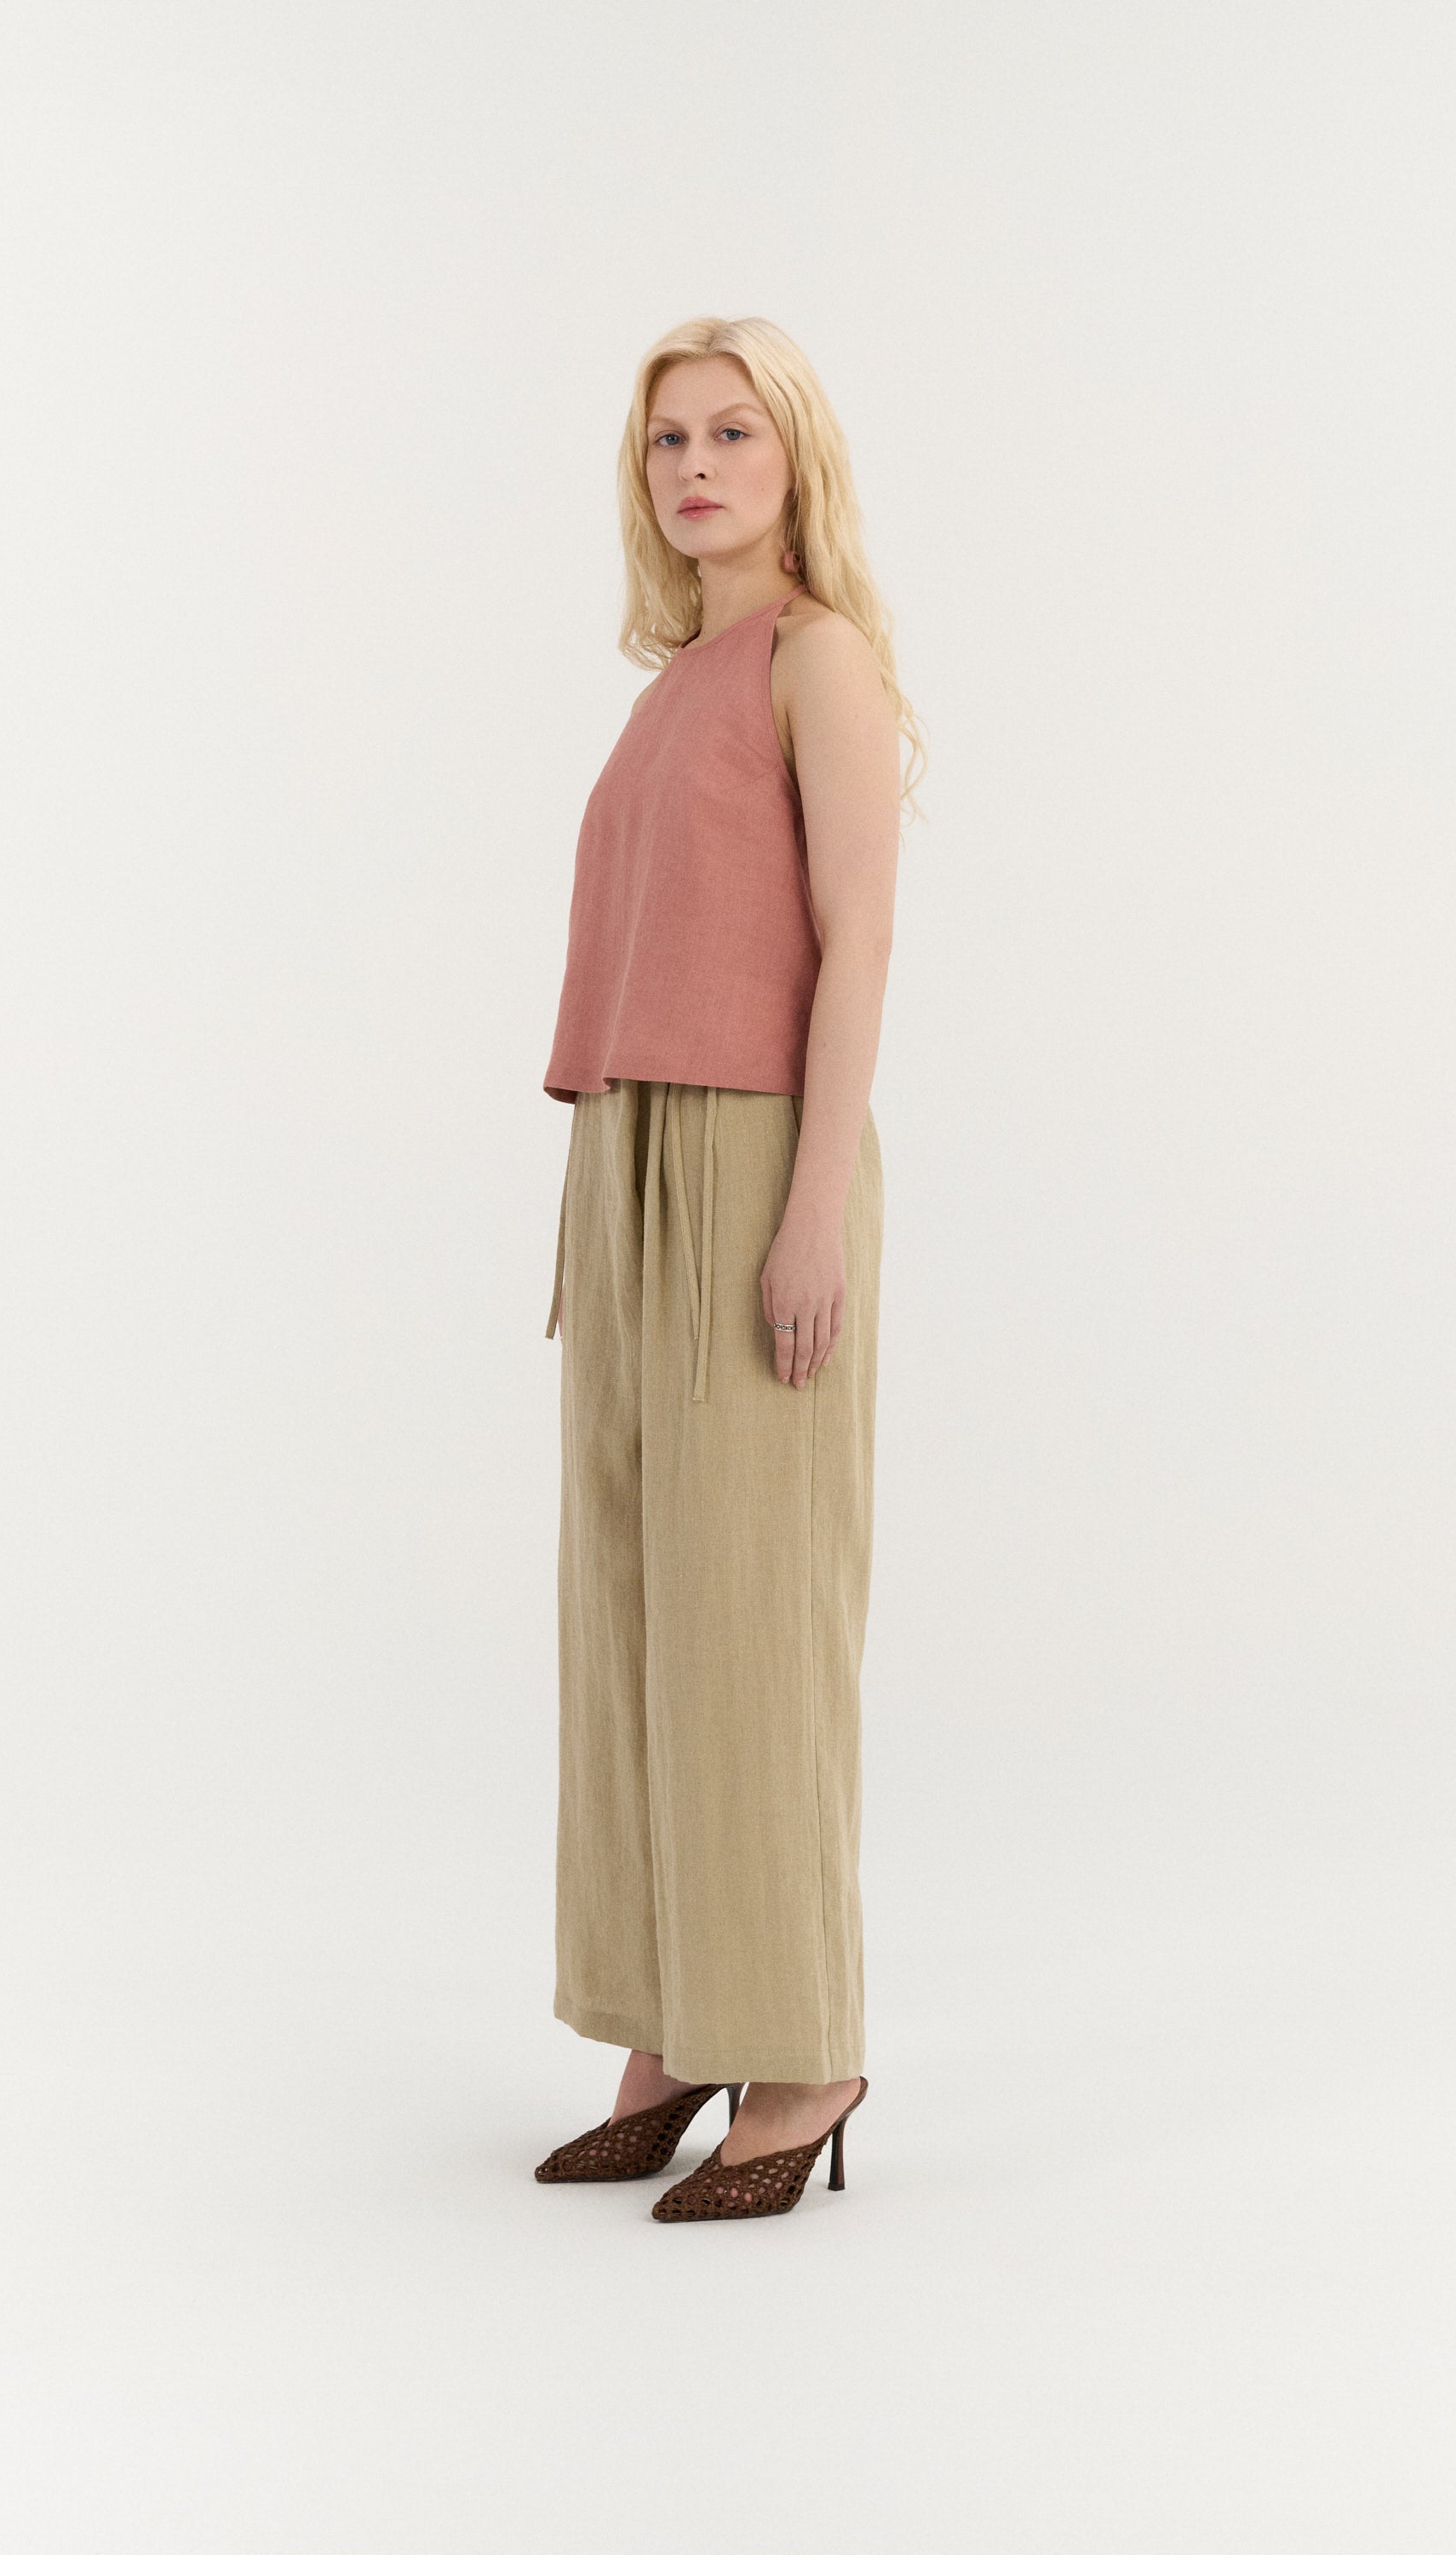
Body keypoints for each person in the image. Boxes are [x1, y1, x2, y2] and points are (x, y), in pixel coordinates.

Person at [534, 315, 920, 2224]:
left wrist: (812, 1205)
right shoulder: (672, 679)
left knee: (750, 1614)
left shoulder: (815, 658)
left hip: (756, 1150)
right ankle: (674, 2019)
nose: (694, 467)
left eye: (731, 434)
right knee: (629, 1609)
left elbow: (859, 942)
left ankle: (799, 2043)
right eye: (667, 440)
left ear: (793, 460)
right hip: (627, 1157)